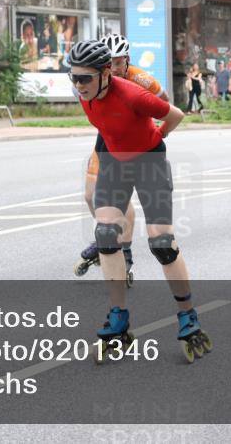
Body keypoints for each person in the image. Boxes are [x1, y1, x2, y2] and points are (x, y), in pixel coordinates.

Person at [68, 39, 211, 361]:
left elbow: (175, 114)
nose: (78, 85)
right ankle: (118, 315)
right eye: (73, 77)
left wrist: (158, 135)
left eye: (85, 78)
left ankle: (187, 314)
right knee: (106, 235)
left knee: (162, 243)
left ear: (106, 73)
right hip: (115, 164)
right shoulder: (85, 95)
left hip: (149, 163)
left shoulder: (133, 94)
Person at [74, 34, 170, 284]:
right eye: (110, 62)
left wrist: (151, 128)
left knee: (122, 196)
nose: (113, 67)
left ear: (127, 60)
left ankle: (124, 250)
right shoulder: (92, 78)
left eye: (118, 62)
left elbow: (165, 102)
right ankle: (107, 234)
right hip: (107, 137)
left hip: (135, 142)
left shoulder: (139, 79)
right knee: (90, 196)